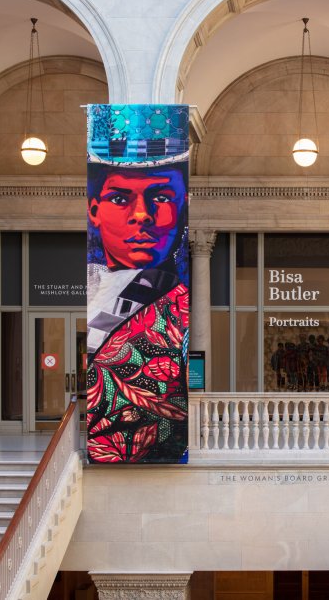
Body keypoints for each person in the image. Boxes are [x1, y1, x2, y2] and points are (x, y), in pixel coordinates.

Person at [85, 159, 190, 464]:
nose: (142, 214)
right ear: (94, 211)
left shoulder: (177, 304)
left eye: (162, 197)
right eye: (120, 199)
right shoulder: (93, 283)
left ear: (182, 210)